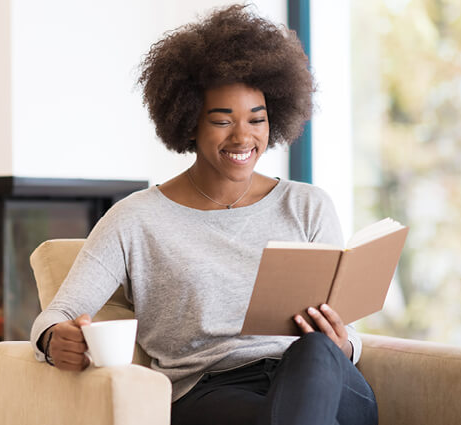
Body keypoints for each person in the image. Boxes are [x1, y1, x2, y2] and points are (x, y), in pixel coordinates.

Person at [29, 4, 378, 425]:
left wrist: (343, 346)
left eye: (257, 119)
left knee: (314, 353)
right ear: (188, 120)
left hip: (325, 380)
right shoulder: (135, 219)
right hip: (213, 393)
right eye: (222, 120)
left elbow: (345, 335)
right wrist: (52, 340)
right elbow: (56, 314)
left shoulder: (307, 205)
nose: (243, 137)